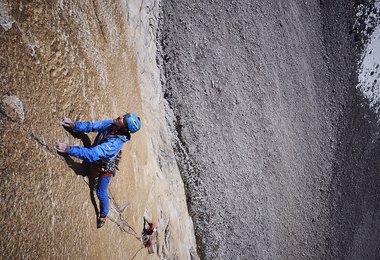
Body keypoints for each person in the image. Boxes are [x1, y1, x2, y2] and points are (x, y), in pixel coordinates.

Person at [55, 113, 141, 228]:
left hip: (105, 167)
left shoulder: (114, 144)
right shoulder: (112, 124)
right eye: (124, 115)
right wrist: (74, 125)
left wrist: (69, 149)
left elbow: (92, 155)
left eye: (123, 119)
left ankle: (103, 214)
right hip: (99, 151)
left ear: (124, 128)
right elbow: (92, 126)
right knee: (92, 141)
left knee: (100, 192)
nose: (120, 116)